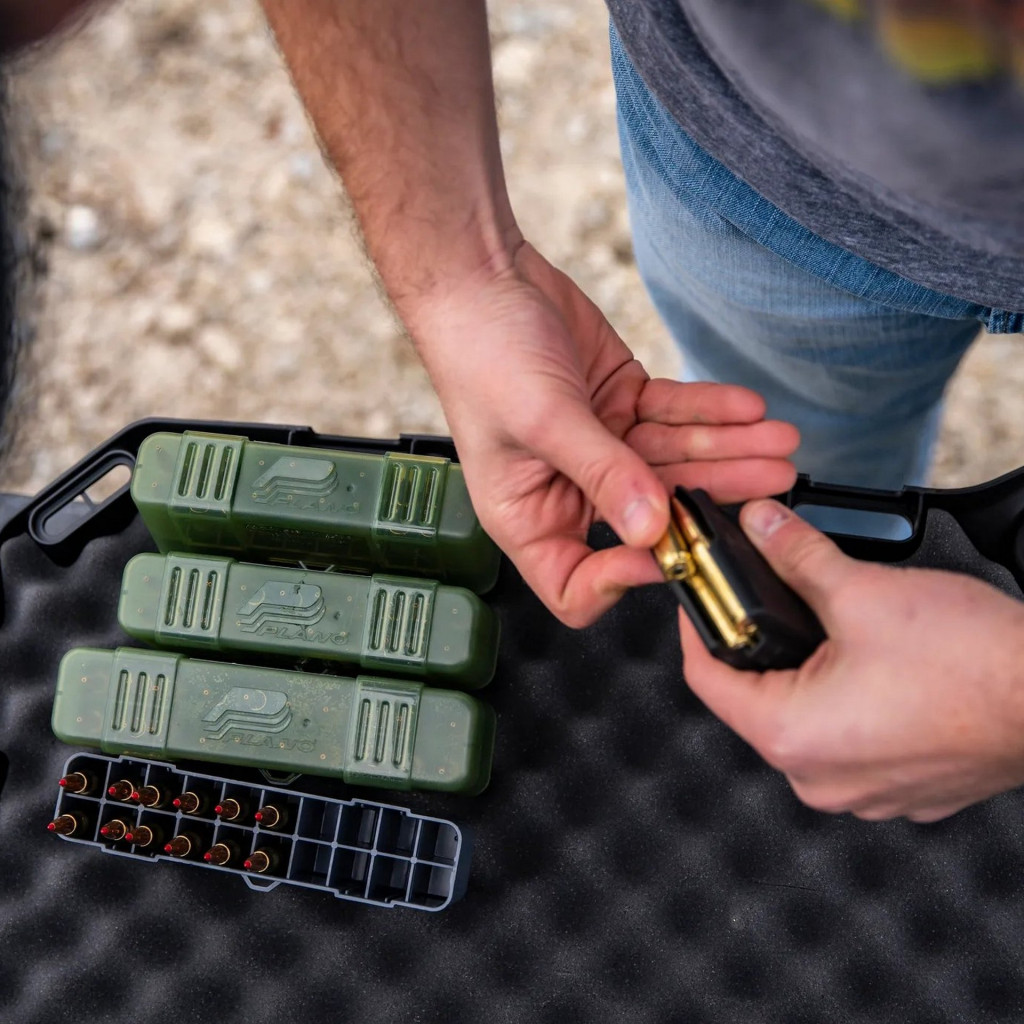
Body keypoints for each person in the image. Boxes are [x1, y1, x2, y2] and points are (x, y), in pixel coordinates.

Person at [9, 2, 1024, 822]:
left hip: (774, 172)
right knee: (805, 455)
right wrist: (461, 273)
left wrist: (1006, 703)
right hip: (772, 175)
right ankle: (866, 584)